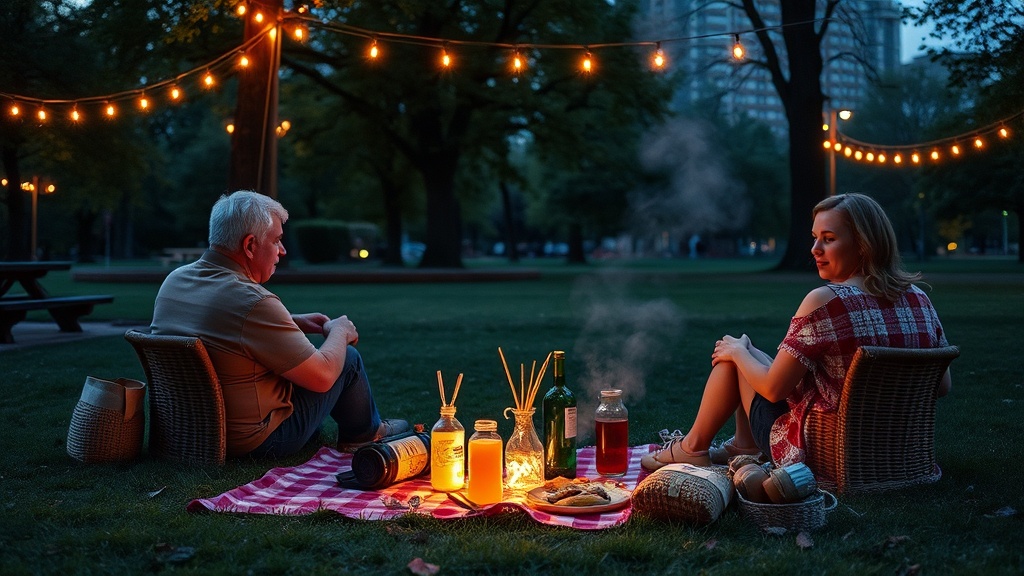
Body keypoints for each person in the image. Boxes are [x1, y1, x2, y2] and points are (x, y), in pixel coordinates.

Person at [641, 193, 951, 471]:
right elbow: (942, 385)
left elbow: (773, 390)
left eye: (828, 239)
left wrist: (736, 351)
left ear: (863, 244)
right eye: (815, 237)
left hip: (824, 452)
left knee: (735, 358)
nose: (815, 249)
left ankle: (693, 447)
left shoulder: (826, 301)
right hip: (892, 453)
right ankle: (741, 445)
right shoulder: (919, 298)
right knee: (752, 355)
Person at [150, 190, 409, 459]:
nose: (282, 251)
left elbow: (215, 323)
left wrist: (290, 321)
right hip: (253, 443)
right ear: (250, 245)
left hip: (190, 433)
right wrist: (340, 331)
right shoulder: (252, 301)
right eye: (276, 241)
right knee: (348, 359)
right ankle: (366, 433)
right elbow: (322, 378)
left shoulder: (175, 280)